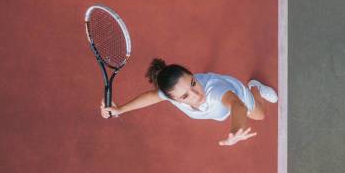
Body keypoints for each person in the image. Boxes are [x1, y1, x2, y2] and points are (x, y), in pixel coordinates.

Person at [100, 58, 277, 146]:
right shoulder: (169, 96)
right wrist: (120, 110)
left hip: (238, 95)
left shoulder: (214, 91)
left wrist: (235, 130)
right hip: (220, 109)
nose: (196, 94)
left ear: (193, 76)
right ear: (172, 99)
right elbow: (151, 97)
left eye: (193, 83)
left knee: (259, 115)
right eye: (185, 96)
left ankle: (255, 87)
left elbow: (237, 105)